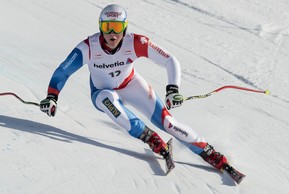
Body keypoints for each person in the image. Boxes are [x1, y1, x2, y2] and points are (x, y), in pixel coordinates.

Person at [40, 4, 228, 171]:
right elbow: (63, 71)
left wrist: (173, 89)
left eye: (117, 28)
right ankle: (151, 138)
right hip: (101, 92)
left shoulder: (135, 42)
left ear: (125, 27)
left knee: (168, 123)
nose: (112, 34)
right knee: (108, 99)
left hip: (132, 85)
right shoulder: (88, 47)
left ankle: (208, 151)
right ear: (100, 27)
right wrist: (52, 96)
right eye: (107, 27)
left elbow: (170, 60)